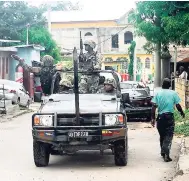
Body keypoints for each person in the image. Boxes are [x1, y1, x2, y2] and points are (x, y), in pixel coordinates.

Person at [151, 78, 185, 162]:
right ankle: (166, 153)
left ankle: (163, 152)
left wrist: (152, 118)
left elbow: (153, 107)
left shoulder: (158, 93)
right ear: (170, 86)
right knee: (168, 136)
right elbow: (177, 105)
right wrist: (182, 113)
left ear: (162, 85)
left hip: (160, 118)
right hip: (169, 117)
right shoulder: (173, 93)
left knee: (162, 135)